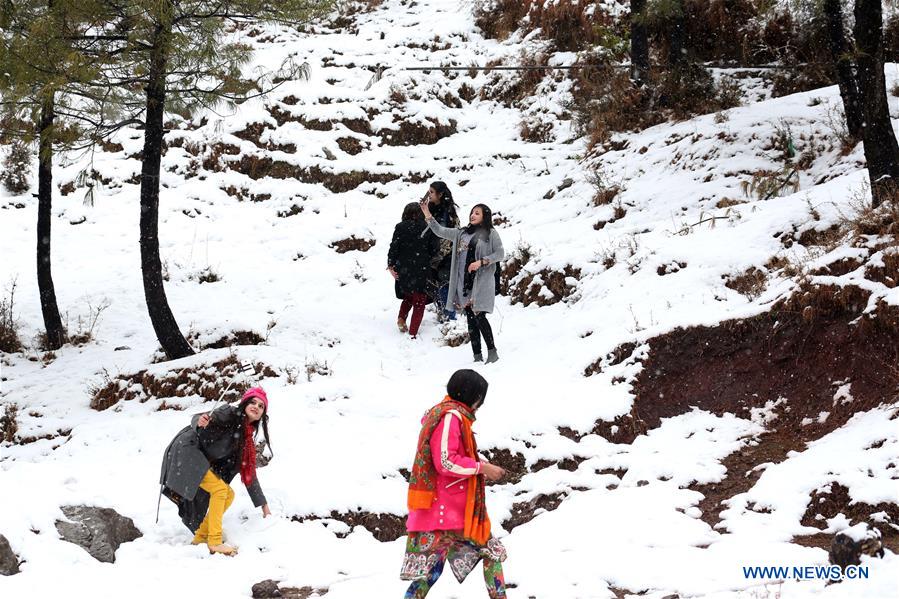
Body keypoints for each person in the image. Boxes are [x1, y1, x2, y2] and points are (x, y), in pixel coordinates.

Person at [401, 369, 507, 598]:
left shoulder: (448, 413)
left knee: (430, 573)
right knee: (490, 555)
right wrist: (481, 468)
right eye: (480, 398)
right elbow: (445, 462)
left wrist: (478, 464)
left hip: (449, 511)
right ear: (473, 397)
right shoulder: (451, 417)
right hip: (448, 512)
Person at [159, 387, 272, 556]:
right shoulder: (230, 413)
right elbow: (204, 417)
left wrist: (264, 505)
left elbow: (249, 473)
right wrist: (201, 421)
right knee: (219, 490)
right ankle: (214, 541)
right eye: (253, 402)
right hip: (187, 449)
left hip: (197, 457)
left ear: (262, 414)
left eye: (261, 406)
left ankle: (201, 536)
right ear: (245, 403)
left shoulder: (245, 438)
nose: (256, 406)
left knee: (228, 493)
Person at [420, 199, 504, 363]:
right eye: (472, 212)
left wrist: (482, 262)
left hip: (481, 281)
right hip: (463, 282)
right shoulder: (462, 233)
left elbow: (500, 254)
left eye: (477, 213)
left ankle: (492, 352)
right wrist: (427, 214)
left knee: (479, 316)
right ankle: (477, 356)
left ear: (485, 216)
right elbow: (440, 231)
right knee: (471, 318)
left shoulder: (491, 234)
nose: (473, 215)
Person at [389, 202, 439, 338]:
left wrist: (390, 265)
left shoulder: (400, 227)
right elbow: (435, 249)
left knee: (408, 296)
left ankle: (401, 318)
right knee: (419, 300)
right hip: (421, 268)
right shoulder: (428, 227)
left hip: (403, 268)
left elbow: (393, 247)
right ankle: (413, 332)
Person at [421, 181, 460, 321]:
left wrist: (441, 254)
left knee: (443, 282)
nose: (429, 194)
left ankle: (449, 315)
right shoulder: (429, 209)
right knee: (432, 283)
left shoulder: (448, 213)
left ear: (441, 194)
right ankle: (443, 310)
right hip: (430, 253)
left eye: (432, 192)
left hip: (445, 255)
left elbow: (447, 234)